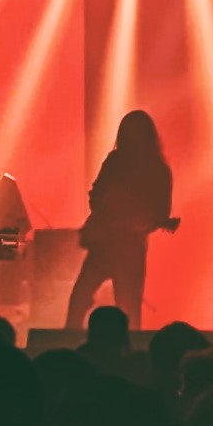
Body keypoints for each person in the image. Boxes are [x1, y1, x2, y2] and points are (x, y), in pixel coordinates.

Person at [67, 110, 175, 330]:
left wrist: (110, 217)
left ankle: (69, 345)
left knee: (92, 302)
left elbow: (158, 212)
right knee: (121, 308)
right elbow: (98, 194)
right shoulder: (137, 166)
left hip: (123, 247)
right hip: (115, 245)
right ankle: (127, 352)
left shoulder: (126, 164)